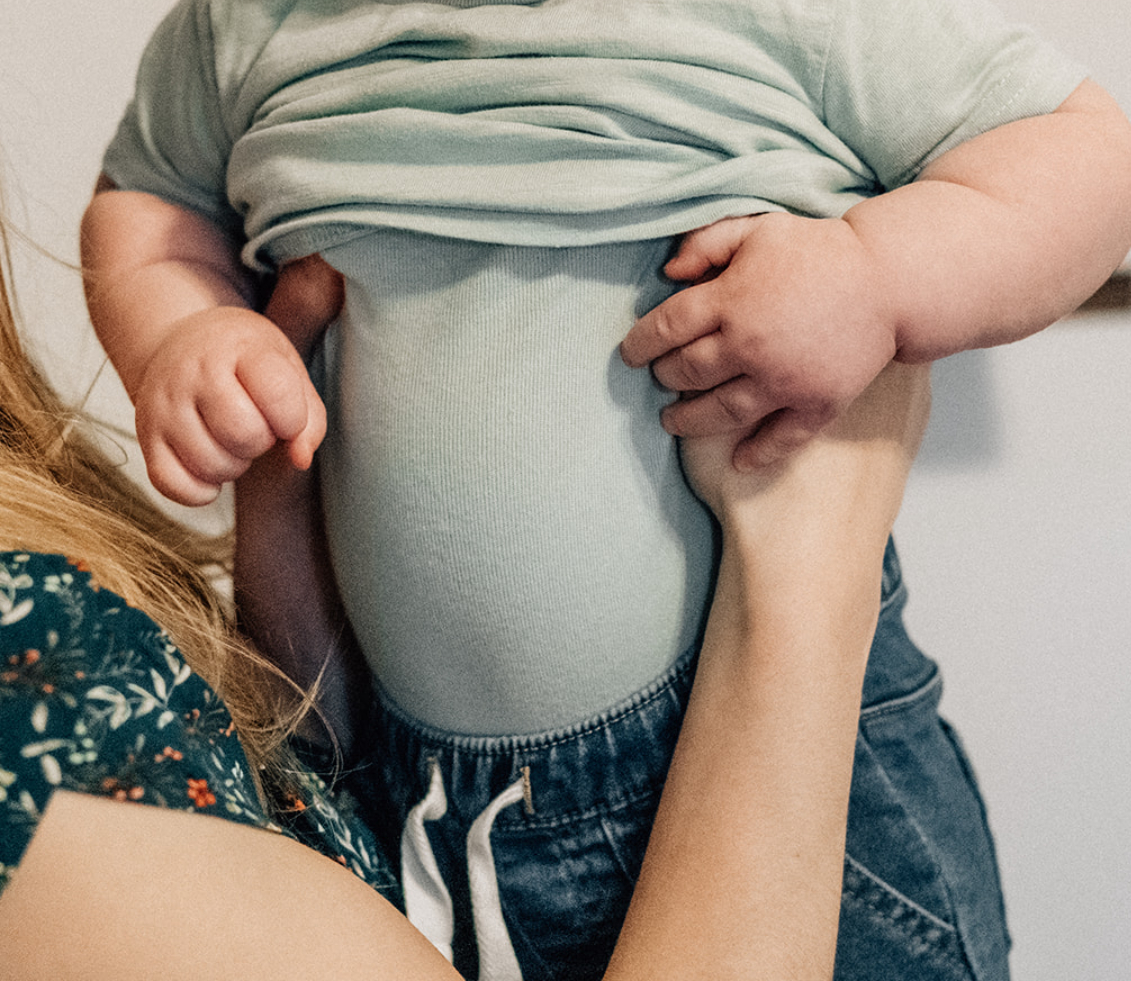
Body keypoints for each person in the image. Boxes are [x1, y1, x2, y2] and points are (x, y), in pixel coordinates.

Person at [81, 0, 1131, 978]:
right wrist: (181, 332)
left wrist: (870, 274)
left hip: (791, 773)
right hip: (405, 789)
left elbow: (1086, 165)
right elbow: (148, 202)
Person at [0, 208, 929, 981]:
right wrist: (810, 561)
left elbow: (267, 820)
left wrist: (289, 500)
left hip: (460, 810)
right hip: (705, 781)